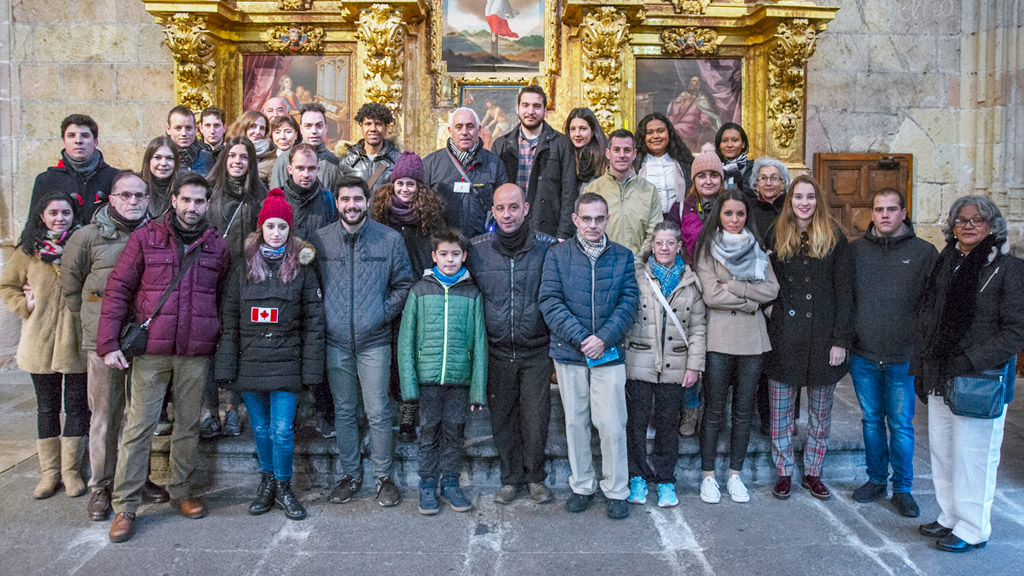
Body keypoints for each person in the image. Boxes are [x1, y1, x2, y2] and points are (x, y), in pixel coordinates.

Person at [97, 172, 231, 543]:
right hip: (152, 349)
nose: (192, 207)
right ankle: (125, 504)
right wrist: (109, 343)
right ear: (173, 200)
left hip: (194, 351)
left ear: (207, 204)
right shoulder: (147, 237)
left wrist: (217, 336)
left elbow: (222, 295)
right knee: (139, 427)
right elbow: (119, 288)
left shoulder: (216, 245)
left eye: (199, 201)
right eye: (186, 200)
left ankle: (181, 491)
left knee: (188, 424)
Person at [912, 195, 1024, 552]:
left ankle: (974, 528)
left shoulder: (1008, 269)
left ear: (992, 225)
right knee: (945, 451)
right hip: (942, 373)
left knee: (974, 456)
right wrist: (923, 365)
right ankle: (950, 517)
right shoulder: (948, 262)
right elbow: (929, 316)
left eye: (978, 219)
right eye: (961, 220)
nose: (969, 225)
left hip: (980, 378)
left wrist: (969, 360)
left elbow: (1016, 330)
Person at [215, 188, 325, 521]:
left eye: (282, 227)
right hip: (251, 360)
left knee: (282, 430)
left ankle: (284, 485)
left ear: (290, 230)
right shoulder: (242, 266)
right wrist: (226, 367)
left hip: (286, 360)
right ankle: (267, 482)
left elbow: (314, 321)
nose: (276, 233)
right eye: (270, 226)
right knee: (260, 429)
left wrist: (311, 371)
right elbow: (230, 318)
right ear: (260, 229)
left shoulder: (302, 269)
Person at [61, 172, 163, 520]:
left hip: (144, 339)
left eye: (140, 196)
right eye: (125, 195)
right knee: (105, 415)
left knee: (142, 414)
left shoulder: (158, 235)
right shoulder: (87, 237)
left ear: (148, 199)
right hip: (103, 342)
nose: (133, 202)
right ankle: (101, 486)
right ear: (112, 199)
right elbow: (72, 289)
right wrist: (93, 322)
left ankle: (138, 477)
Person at [312, 175, 414, 507]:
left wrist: (381, 314)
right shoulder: (321, 240)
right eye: (345, 200)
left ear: (368, 202)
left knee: (379, 411)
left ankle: (384, 478)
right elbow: (311, 287)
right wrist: (326, 316)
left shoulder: (389, 239)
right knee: (343, 410)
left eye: (358, 199)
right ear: (337, 203)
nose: (352, 205)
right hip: (335, 340)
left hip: (374, 340)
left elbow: (403, 283)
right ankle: (350, 474)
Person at [539, 193, 639, 519]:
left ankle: (616, 489)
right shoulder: (557, 255)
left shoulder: (622, 256)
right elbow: (550, 301)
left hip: (608, 352)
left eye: (599, 218)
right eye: (587, 218)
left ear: (607, 219)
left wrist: (604, 338)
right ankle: (582, 485)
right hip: (569, 351)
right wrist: (583, 338)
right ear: (575, 219)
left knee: (611, 424)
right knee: (576, 422)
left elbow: (628, 302)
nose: (593, 225)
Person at [849, 188, 937, 518]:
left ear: (903, 213)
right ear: (871, 214)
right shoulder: (855, 251)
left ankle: (902, 488)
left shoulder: (924, 253)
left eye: (891, 209)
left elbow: (933, 306)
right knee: (872, 421)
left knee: (900, 424)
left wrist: (923, 347)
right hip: (865, 355)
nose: (885, 215)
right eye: (879, 209)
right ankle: (875, 480)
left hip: (904, 356)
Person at [468, 183, 557, 505]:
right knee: (502, 419)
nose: (507, 214)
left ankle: (535, 478)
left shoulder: (547, 249)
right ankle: (510, 479)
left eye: (513, 207)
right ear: (493, 211)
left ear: (526, 208)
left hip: (536, 350)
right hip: (496, 349)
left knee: (536, 419)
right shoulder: (477, 251)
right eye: (501, 208)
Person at [765, 175, 852, 501]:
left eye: (810, 197)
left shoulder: (834, 237)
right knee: (781, 413)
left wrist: (840, 340)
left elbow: (845, 292)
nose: (804, 202)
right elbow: (764, 280)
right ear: (790, 201)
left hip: (823, 338)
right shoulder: (776, 233)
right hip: (785, 337)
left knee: (820, 414)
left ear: (818, 201)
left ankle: (813, 471)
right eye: (798, 197)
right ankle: (784, 472)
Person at [692, 190, 778, 504]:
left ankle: (735, 475)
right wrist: (750, 302)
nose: (734, 219)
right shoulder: (707, 249)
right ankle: (708, 475)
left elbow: (772, 288)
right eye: (728, 213)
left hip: (752, 341)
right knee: (713, 410)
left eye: (740, 214)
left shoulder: (757, 249)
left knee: (743, 412)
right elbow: (712, 295)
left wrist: (738, 287)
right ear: (719, 216)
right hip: (720, 337)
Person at [0, 192, 88, 499]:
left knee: (77, 406)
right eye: (53, 213)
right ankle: (49, 473)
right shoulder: (28, 251)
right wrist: (24, 304)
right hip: (40, 341)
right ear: (42, 216)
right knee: (47, 408)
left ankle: (72, 471)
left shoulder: (81, 246)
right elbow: (7, 285)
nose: (60, 218)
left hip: (76, 341)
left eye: (65, 213)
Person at [398, 228, 487, 514]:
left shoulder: (473, 293)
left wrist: (477, 388)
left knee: (453, 431)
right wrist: (409, 388)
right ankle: (426, 484)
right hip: (427, 380)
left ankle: (450, 482)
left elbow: (479, 342)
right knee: (429, 431)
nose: (450, 260)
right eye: (444, 255)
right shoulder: (420, 290)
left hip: (459, 380)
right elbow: (406, 341)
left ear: (465, 256)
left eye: (456, 255)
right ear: (434, 256)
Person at [624, 221, 707, 508]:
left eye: (670, 243)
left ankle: (665, 479)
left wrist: (694, 366)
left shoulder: (690, 282)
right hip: (639, 362)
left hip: (675, 365)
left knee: (668, 425)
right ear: (652, 246)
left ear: (679, 246)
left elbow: (697, 328)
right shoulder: (637, 278)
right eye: (659, 243)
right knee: (635, 423)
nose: (664, 248)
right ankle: (636, 475)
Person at [371, 151, 446, 443]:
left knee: (413, 355)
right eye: (400, 183)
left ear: (420, 187)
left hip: (419, 294)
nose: (405, 189)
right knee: (390, 354)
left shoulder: (431, 218)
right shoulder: (380, 213)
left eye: (411, 184)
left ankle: (409, 415)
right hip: (387, 294)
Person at [201, 136, 269, 438]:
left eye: (244, 157)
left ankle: (232, 409)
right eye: (232, 156)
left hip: (244, 279)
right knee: (207, 345)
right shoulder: (208, 193)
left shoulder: (260, 195)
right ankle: (208, 411)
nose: (237, 162)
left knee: (239, 342)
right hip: (209, 278)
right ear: (224, 159)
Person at [492, 85, 579, 239]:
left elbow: (569, 192)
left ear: (545, 111)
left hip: (548, 229)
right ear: (518, 109)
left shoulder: (561, 144)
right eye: (526, 105)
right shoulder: (501, 145)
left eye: (537, 106)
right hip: (509, 227)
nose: (531, 111)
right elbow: (493, 190)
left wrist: (564, 234)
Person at [746, 156, 791, 434]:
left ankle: (779, 419)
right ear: (755, 183)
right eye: (763, 178)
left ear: (784, 183)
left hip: (786, 289)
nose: (769, 182)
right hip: (754, 288)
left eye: (775, 178)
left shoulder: (792, 209)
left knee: (782, 357)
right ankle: (758, 416)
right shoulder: (748, 209)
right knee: (758, 359)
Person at [424, 108, 509, 237]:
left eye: (470, 127)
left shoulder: (494, 164)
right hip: (443, 246)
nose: (464, 132)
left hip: (482, 244)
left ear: (479, 130)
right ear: (450, 131)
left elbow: (504, 206)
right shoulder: (431, 163)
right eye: (459, 127)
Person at [583, 128, 662, 262]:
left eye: (627, 150)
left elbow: (655, 232)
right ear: (608, 153)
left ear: (634, 154)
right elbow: (586, 232)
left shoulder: (649, 190)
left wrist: (637, 262)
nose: (622, 155)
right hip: (602, 266)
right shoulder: (592, 190)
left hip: (639, 268)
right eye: (616, 150)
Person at [31, 114, 120, 227]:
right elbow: (33, 226)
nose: (78, 141)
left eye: (85, 135)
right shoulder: (46, 180)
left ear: (95, 141)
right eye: (71, 135)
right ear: (64, 141)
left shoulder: (115, 178)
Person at [270, 103, 344, 193]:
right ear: (301, 129)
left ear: (326, 128)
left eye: (319, 126)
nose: (314, 131)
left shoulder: (335, 162)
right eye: (308, 126)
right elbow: (275, 200)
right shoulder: (284, 160)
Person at [634, 112, 695, 220]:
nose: (656, 136)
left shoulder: (683, 162)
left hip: (679, 221)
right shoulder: (636, 164)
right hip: (645, 222)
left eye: (661, 131)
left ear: (669, 134)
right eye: (649, 132)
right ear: (643, 136)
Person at [669, 148, 724, 261]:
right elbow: (670, 246)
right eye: (702, 176)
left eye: (714, 175)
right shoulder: (680, 209)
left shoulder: (730, 207)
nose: (708, 181)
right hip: (691, 274)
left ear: (721, 179)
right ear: (694, 180)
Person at [340, 103, 401, 194]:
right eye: (368, 124)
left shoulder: (398, 161)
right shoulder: (347, 161)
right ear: (361, 127)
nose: (373, 129)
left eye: (378, 124)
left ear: (386, 128)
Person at [226, 110, 275, 184]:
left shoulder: (271, 157)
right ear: (243, 127)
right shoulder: (227, 151)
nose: (257, 132)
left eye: (262, 128)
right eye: (252, 126)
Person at [563, 107, 607, 189]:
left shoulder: (603, 156)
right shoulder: (564, 154)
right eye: (572, 129)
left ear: (593, 131)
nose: (577, 134)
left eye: (583, 129)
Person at [166, 105, 214, 176]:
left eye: (188, 128)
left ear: (195, 128)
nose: (184, 133)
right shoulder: (161, 158)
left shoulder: (207, 158)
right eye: (178, 128)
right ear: (168, 130)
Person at [140, 136, 180, 220]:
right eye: (157, 158)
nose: (163, 163)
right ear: (149, 160)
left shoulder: (183, 189)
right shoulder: (135, 187)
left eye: (169, 158)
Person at [716, 123, 752, 193]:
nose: (729, 145)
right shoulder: (713, 169)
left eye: (735, 140)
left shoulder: (753, 169)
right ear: (719, 145)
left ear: (743, 144)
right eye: (724, 141)